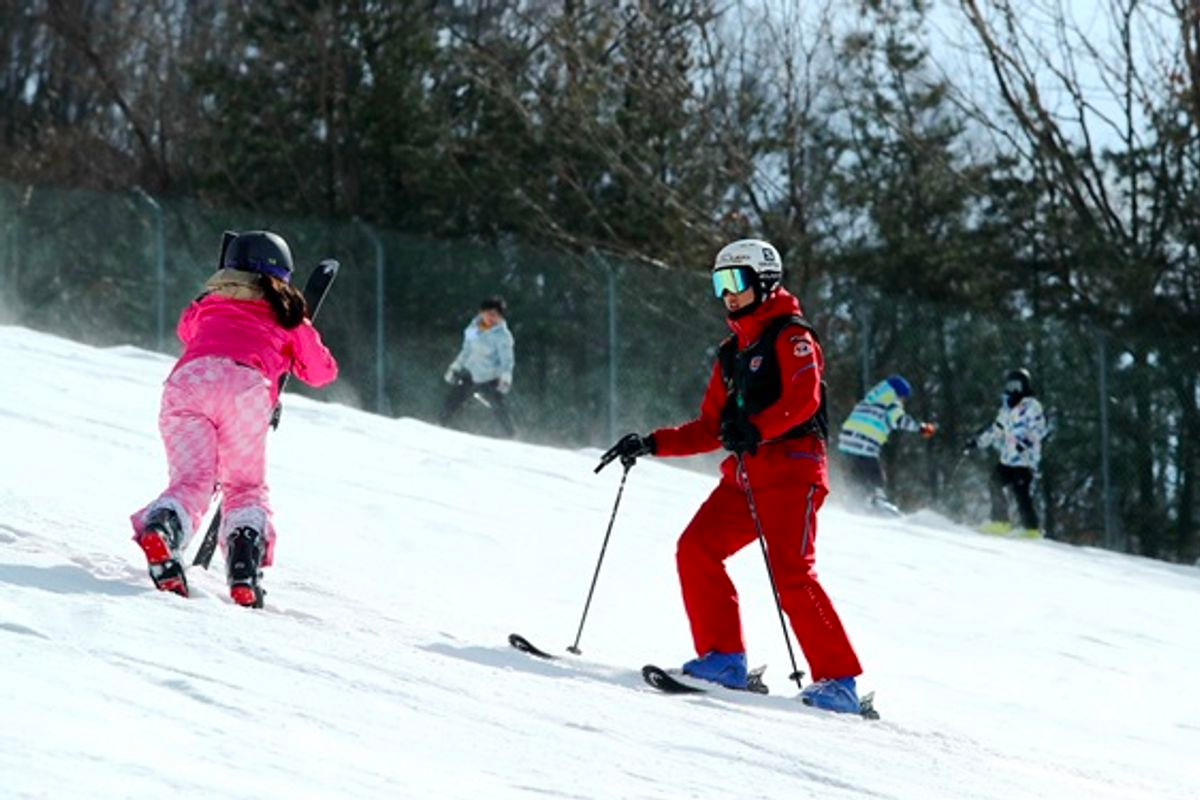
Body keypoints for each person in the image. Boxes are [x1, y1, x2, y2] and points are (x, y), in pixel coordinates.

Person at [601, 238, 865, 714]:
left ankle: (839, 682)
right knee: (697, 547)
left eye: (736, 281)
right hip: (745, 478)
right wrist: (652, 442)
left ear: (764, 282)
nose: (727, 293)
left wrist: (757, 427)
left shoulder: (791, 336)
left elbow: (804, 399)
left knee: (791, 574)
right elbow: (708, 427)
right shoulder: (731, 352)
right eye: (719, 283)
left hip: (792, 471)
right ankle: (724, 658)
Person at [129, 230, 338, 606]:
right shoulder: (289, 315)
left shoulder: (208, 301)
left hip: (188, 383)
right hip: (245, 390)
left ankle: (163, 527)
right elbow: (322, 372)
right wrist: (291, 345)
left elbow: (186, 332)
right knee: (244, 486)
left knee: (191, 482)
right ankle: (244, 567)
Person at [964, 367, 1047, 536]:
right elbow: (997, 429)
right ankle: (1000, 522)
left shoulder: (1031, 406)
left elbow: (1039, 429)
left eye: (1017, 386)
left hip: (1025, 459)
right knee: (994, 482)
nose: (1014, 390)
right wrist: (978, 442)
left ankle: (1031, 528)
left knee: (1020, 491)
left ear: (1024, 386)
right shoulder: (1006, 408)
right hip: (1008, 458)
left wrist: (1024, 443)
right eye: (1011, 386)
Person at [837, 375, 936, 514]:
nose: (903, 402)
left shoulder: (868, 401)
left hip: (845, 445)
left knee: (856, 476)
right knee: (875, 476)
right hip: (864, 447)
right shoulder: (891, 403)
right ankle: (878, 501)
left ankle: (853, 501)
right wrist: (921, 428)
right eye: (903, 398)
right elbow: (900, 420)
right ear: (899, 394)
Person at [439, 297, 516, 437]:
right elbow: (466, 350)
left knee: (498, 406)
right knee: (453, 399)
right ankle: (442, 425)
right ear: (481, 313)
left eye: (495, 315)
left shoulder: (502, 336)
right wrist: (455, 366)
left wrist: (506, 376)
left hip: (490, 377)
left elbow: (507, 359)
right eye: (488, 314)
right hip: (471, 373)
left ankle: (510, 434)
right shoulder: (474, 329)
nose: (491, 318)